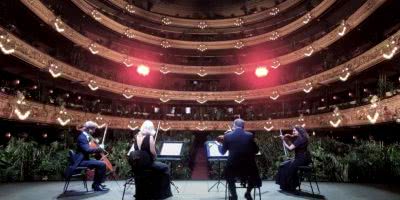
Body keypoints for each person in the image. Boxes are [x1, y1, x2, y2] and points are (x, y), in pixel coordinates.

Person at [218, 118, 261, 200]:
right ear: (243, 126)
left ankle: (234, 196)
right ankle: (248, 193)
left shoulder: (227, 136)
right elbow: (256, 150)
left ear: (234, 125)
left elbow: (222, 152)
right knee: (254, 174)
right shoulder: (250, 135)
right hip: (248, 168)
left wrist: (219, 144)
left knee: (229, 176)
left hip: (233, 168)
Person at [127, 120, 172, 199]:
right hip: (148, 164)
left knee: (158, 167)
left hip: (138, 166)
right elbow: (153, 153)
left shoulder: (137, 136)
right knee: (165, 167)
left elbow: (135, 149)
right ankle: (162, 194)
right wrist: (155, 155)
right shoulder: (150, 137)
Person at [71, 121, 108, 191]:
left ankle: (97, 184)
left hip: (84, 159)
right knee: (102, 164)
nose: (94, 131)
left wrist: (97, 148)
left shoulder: (85, 136)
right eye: (94, 129)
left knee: (100, 163)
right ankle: (96, 185)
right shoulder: (82, 137)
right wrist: (99, 149)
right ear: (89, 129)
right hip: (80, 161)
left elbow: (88, 149)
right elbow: (87, 150)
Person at [276, 126, 311, 192]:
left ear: (299, 131)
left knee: (287, 168)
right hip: (303, 159)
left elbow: (290, 148)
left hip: (301, 160)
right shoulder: (302, 138)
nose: (293, 132)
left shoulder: (300, 139)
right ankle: (288, 185)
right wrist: (289, 136)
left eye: (294, 131)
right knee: (284, 164)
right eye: (293, 131)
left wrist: (283, 140)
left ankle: (291, 186)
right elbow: (293, 141)